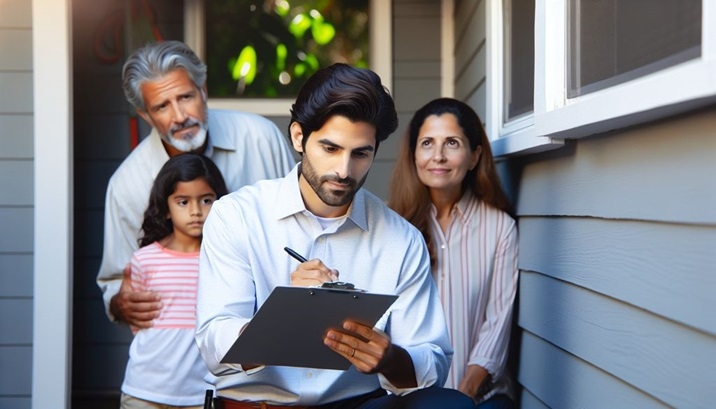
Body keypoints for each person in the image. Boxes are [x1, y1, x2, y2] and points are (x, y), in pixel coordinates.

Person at [195, 64, 475, 409]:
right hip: (259, 405)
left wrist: (389, 358)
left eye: (361, 153)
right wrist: (285, 316)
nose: (344, 171)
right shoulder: (237, 216)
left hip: (357, 404)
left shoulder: (401, 239)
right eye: (330, 149)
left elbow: (432, 363)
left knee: (451, 406)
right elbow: (213, 346)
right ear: (299, 137)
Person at [96, 40, 296, 329]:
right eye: (162, 106)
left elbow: (302, 225)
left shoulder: (260, 138)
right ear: (145, 115)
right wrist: (120, 302)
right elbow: (117, 281)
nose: (180, 116)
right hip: (179, 345)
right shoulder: (127, 185)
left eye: (186, 97)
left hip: (273, 327)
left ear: (203, 91)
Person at [388, 98, 518, 408]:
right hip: (407, 395)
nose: (438, 156)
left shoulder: (500, 229)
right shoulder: (392, 227)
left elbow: (496, 328)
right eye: (427, 143)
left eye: (452, 143)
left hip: (481, 395)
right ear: (414, 154)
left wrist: (462, 396)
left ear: (474, 156)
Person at [120, 153, 228, 408]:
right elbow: (139, 324)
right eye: (182, 202)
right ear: (165, 207)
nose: (195, 212)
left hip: (201, 393)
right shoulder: (144, 260)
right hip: (143, 391)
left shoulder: (225, 262)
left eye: (206, 200)